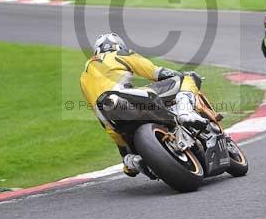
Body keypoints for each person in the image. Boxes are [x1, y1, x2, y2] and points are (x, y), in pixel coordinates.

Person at [79, 33, 206, 177]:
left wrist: (124, 152)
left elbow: (96, 111)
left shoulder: (83, 77)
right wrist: (178, 74)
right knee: (188, 78)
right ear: (118, 45)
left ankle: (131, 161)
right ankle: (185, 113)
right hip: (129, 98)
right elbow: (155, 72)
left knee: (128, 161)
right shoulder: (119, 54)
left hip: (110, 120)